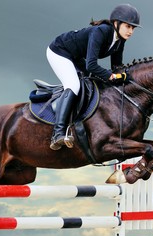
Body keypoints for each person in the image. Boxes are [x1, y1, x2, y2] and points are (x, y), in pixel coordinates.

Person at [46, 4, 141, 150]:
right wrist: (113, 76)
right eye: (128, 26)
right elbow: (91, 66)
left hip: (75, 57)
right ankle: (57, 133)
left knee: (93, 82)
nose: (131, 31)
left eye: (133, 28)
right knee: (73, 84)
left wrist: (129, 77)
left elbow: (117, 67)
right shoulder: (101, 31)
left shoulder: (120, 40)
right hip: (59, 51)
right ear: (116, 23)